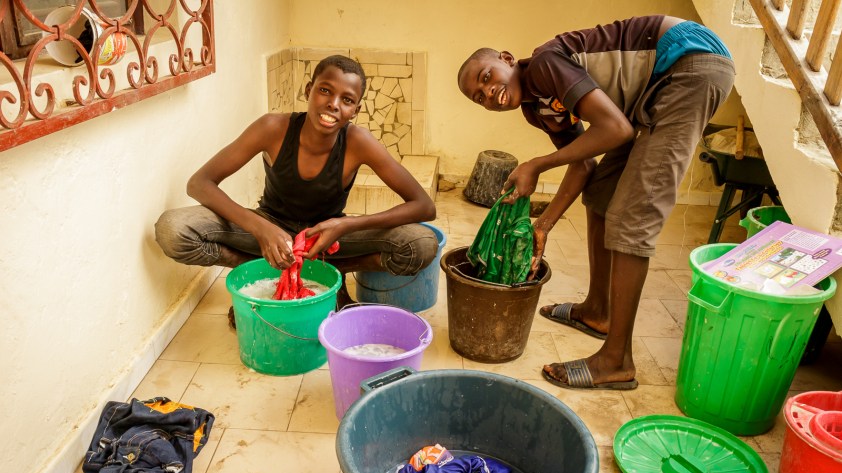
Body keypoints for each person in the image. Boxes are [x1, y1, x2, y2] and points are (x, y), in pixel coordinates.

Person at [458, 16, 734, 390]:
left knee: (632, 216)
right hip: (652, 91)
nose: (489, 92)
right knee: (601, 191)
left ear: (507, 59)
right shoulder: (537, 109)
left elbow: (615, 130)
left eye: (486, 77)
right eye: (479, 97)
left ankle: (616, 360)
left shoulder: (543, 64)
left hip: (688, 62)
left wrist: (537, 164)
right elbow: (584, 163)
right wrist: (544, 225)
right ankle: (597, 310)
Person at [155, 55, 438, 319]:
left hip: (326, 238)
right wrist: (260, 228)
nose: (333, 104)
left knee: (421, 244)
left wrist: (345, 226)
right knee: (174, 229)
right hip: (271, 225)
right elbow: (200, 183)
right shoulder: (273, 128)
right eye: (325, 91)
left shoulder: (358, 142)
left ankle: (327, 273)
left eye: (347, 100)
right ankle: (265, 272)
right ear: (308, 90)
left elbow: (424, 206)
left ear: (355, 110)